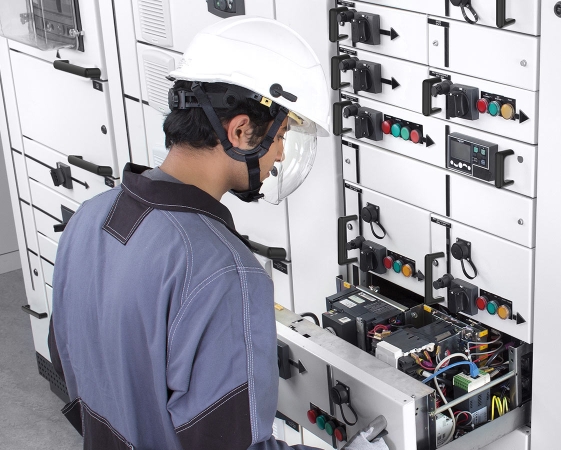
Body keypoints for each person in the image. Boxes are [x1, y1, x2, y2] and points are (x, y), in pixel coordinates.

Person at [48, 16, 387, 450]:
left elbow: (66, 359)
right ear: (241, 131)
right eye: (281, 135)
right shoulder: (224, 273)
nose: (281, 154)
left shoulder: (91, 217)